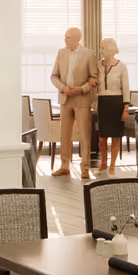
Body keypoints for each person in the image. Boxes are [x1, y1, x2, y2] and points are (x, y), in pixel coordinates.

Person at [49, 27, 100, 178]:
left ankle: (85, 168)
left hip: (82, 100)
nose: (65, 40)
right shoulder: (61, 53)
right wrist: (63, 88)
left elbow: (94, 79)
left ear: (78, 39)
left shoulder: (89, 54)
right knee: (64, 135)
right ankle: (65, 165)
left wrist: (82, 89)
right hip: (65, 99)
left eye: (68, 37)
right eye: (65, 37)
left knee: (84, 135)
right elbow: (54, 77)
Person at [95, 37, 128, 176]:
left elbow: (126, 88)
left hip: (117, 103)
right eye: (100, 47)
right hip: (102, 102)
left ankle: (112, 166)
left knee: (115, 136)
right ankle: (103, 163)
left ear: (110, 50)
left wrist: (125, 109)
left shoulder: (122, 66)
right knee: (102, 138)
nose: (101, 51)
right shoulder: (97, 65)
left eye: (103, 48)